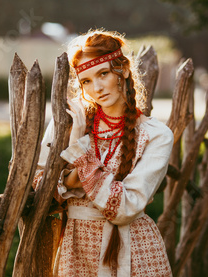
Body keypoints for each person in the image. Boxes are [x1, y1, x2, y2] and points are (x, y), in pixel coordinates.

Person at [33, 29, 174, 276]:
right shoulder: (67, 122)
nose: (96, 87)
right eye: (86, 81)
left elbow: (124, 209)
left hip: (135, 252)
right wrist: (70, 177)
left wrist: (77, 163)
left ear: (124, 70)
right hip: (76, 251)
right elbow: (36, 185)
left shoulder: (156, 135)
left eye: (104, 74)